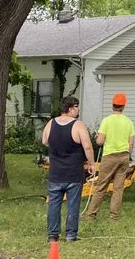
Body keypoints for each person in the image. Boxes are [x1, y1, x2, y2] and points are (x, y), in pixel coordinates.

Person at [41, 95, 96, 244]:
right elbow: (87, 146)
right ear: (71, 108)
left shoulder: (51, 123)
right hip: (73, 172)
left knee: (54, 204)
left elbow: (45, 141)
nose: (78, 110)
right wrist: (92, 164)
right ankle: (71, 235)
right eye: (77, 107)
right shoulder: (78, 125)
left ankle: (53, 236)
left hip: (55, 172)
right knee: (73, 204)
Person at [85, 92, 135, 221]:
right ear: (123, 106)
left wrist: (98, 139)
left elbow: (100, 141)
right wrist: (127, 155)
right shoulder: (128, 122)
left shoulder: (106, 121)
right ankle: (114, 216)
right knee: (118, 188)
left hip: (109, 157)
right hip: (124, 156)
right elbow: (131, 143)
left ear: (112, 105)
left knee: (101, 186)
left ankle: (91, 215)